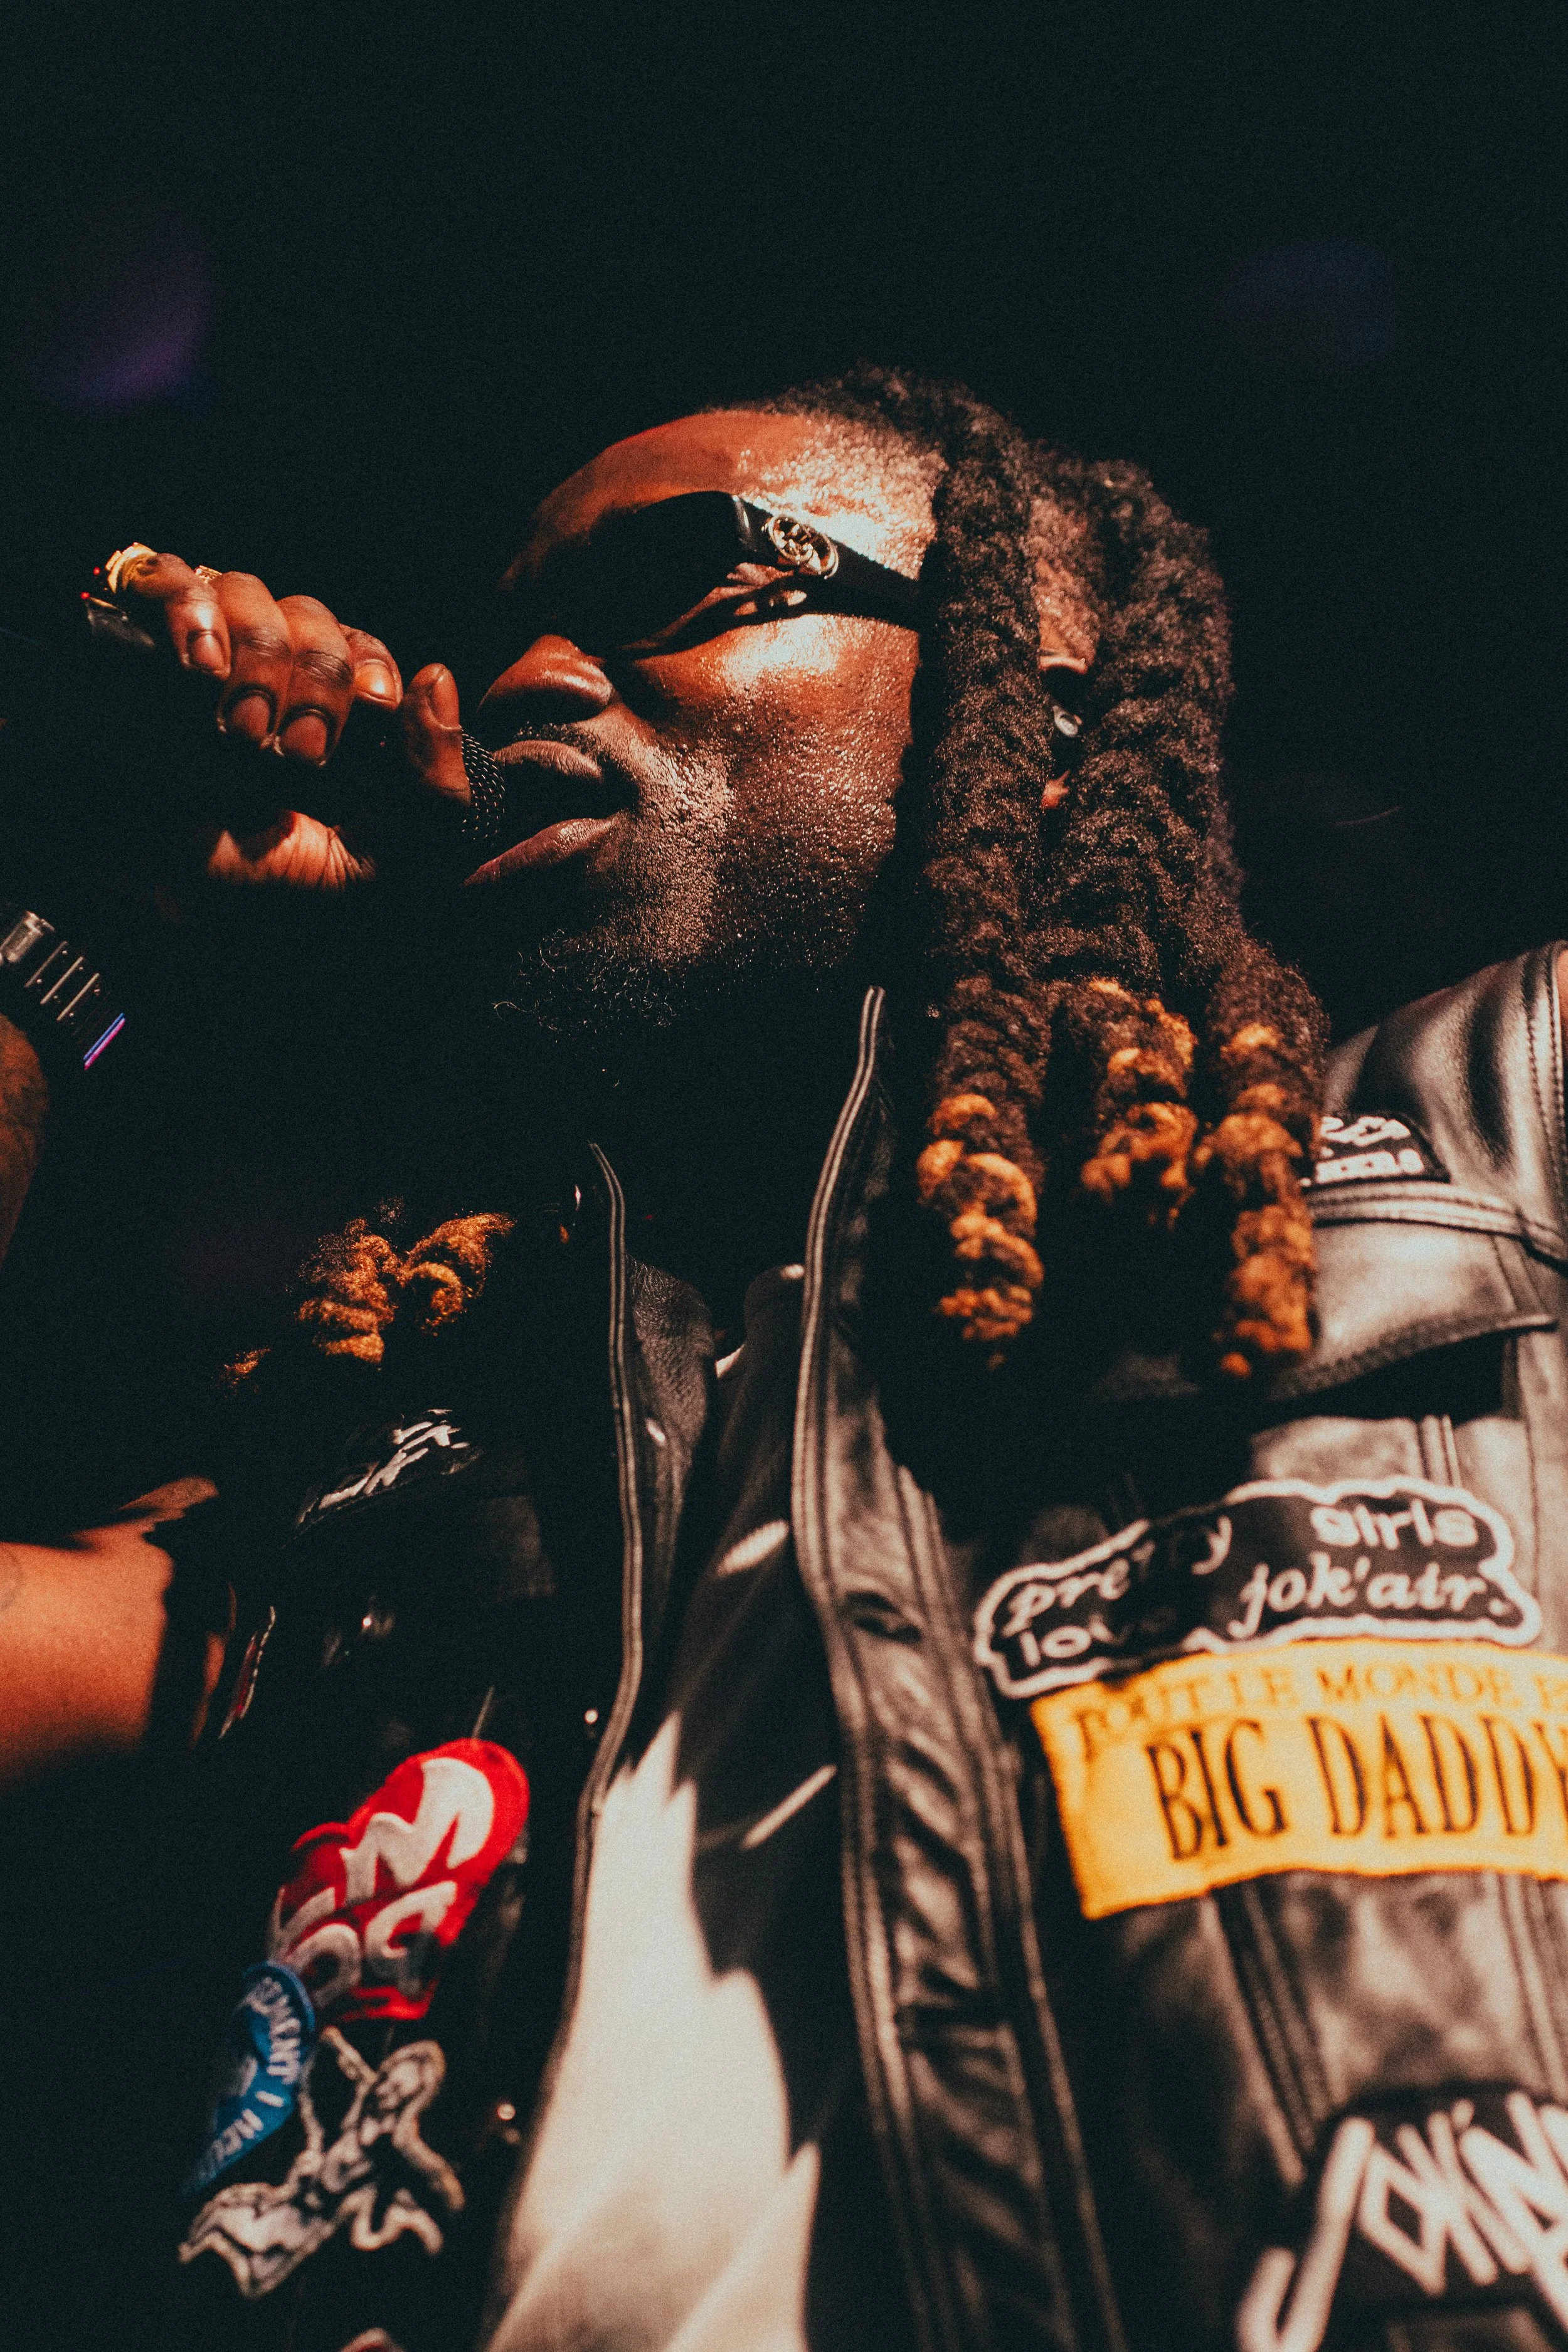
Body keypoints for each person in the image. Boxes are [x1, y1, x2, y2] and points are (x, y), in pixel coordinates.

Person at [3, 366, 1567, 2352]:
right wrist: (68, 924)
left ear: (1042, 669)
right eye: (501, 632)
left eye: (685, 588)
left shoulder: (1497, 1133)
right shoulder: (380, 1478)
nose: (525, 678)